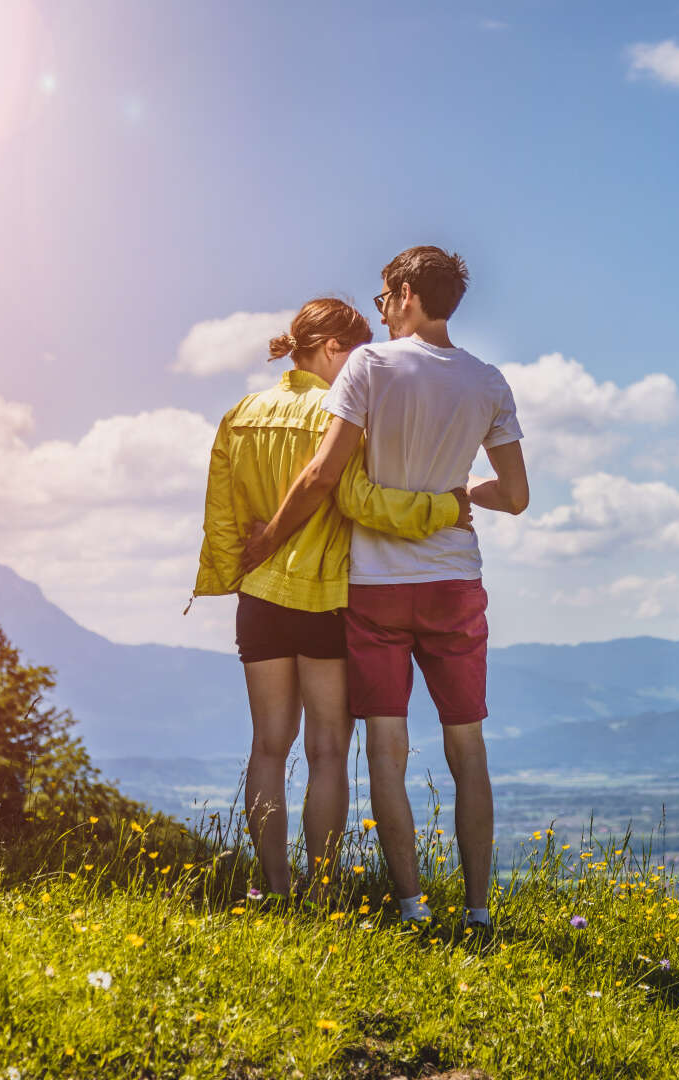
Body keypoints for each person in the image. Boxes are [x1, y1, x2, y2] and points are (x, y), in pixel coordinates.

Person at [242, 246, 527, 934]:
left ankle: (412, 906)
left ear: (403, 294)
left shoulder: (369, 366)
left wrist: (266, 542)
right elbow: (514, 496)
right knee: (468, 750)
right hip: (455, 580)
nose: (382, 310)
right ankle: (481, 912)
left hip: (376, 586)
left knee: (386, 754)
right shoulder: (488, 381)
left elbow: (321, 474)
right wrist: (457, 494)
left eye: (382, 299)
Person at [192, 296, 472, 900]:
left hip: (260, 596)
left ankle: (273, 887)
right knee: (326, 752)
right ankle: (321, 895)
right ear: (331, 349)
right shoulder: (343, 415)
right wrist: (447, 506)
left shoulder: (240, 414)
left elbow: (222, 515)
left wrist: (231, 571)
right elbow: (359, 500)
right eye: (356, 350)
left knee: (267, 746)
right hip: (327, 595)